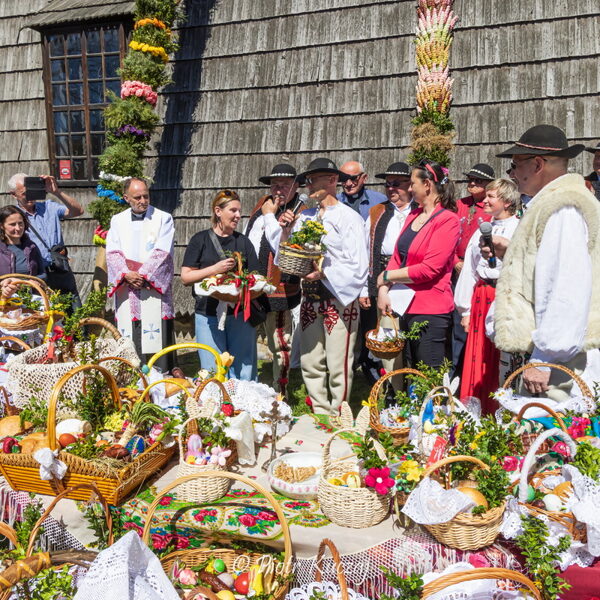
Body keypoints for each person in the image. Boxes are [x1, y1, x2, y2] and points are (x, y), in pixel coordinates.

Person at [493, 124, 600, 399]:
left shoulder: (563, 209)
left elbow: (567, 287)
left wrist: (544, 357)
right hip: (550, 357)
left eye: (515, 165)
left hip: (558, 365)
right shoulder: (551, 205)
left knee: (552, 423)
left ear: (538, 164)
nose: (512, 174)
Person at [279, 158, 368, 415]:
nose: (307, 185)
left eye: (312, 179)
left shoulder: (349, 218)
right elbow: (288, 252)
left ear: (332, 180)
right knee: (310, 359)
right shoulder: (305, 216)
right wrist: (286, 230)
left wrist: (325, 272)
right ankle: (320, 411)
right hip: (310, 296)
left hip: (338, 297)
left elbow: (359, 265)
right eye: (307, 180)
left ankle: (339, 413)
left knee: (338, 361)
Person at [377, 160, 460, 369]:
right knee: (407, 371)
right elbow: (397, 257)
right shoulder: (414, 215)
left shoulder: (447, 220)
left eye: (413, 183)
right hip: (403, 305)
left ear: (427, 185)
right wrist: (383, 290)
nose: (409, 189)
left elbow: (429, 269)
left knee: (428, 373)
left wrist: (386, 276)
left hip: (430, 310)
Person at [454, 179, 520, 412]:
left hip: (504, 296)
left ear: (507, 201)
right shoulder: (482, 229)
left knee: (499, 356)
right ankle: (474, 410)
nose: (486, 201)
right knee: (477, 354)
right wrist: (465, 310)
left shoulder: (518, 228)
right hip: (481, 296)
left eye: (492, 196)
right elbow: (470, 270)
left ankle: (498, 411)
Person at [181, 189, 260, 381]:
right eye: (233, 210)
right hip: (207, 314)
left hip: (240, 314)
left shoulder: (243, 243)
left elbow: (256, 278)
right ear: (218, 211)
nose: (238, 215)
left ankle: (243, 400)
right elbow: (186, 277)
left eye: (239, 211)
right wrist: (215, 269)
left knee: (243, 369)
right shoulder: (200, 240)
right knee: (212, 370)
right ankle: (216, 400)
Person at [106, 177, 178, 374]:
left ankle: (160, 375)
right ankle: (130, 375)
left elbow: (164, 252)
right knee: (130, 331)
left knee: (155, 333)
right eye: (137, 197)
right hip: (127, 286)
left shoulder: (163, 218)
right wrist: (125, 274)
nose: (143, 201)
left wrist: (143, 276)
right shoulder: (117, 220)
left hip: (152, 287)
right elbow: (112, 252)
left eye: (146, 196)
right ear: (126, 198)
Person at [245, 164, 304, 394]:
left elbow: (282, 248)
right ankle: (247, 386)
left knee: (280, 342)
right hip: (253, 286)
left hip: (280, 288)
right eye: (275, 184)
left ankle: (281, 391)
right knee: (249, 339)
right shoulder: (262, 205)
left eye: (285, 185)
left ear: (296, 186)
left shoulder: (300, 212)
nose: (278, 189)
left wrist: (270, 216)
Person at [360, 161, 414, 387]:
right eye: (388, 184)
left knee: (412, 336)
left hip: (413, 280)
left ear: (410, 185)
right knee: (388, 336)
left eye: (397, 183)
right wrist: (365, 288)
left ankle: (414, 388)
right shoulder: (377, 212)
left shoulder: (421, 211)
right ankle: (393, 389)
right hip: (383, 281)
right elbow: (365, 250)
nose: (391, 188)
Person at [7, 173, 83, 307]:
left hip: (59, 267)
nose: (30, 196)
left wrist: (56, 192)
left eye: (32, 191)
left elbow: (78, 211)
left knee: (74, 308)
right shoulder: (14, 217)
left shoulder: (49, 207)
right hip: (36, 274)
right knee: (44, 311)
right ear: (14, 195)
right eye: (25, 193)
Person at [451, 163, 494, 377]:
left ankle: (469, 368)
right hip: (454, 267)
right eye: (470, 179)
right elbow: (448, 236)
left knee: (471, 322)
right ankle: (454, 369)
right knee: (455, 320)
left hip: (477, 271)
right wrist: (454, 261)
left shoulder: (490, 209)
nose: (473, 183)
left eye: (478, 181)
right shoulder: (459, 204)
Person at [0, 206, 45, 278]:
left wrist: (34, 280)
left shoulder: (31, 247)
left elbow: (42, 273)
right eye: (12, 224)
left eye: (20, 223)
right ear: (2, 226)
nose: (18, 228)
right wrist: (4, 283)